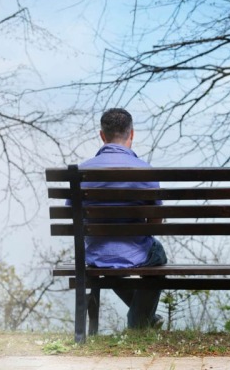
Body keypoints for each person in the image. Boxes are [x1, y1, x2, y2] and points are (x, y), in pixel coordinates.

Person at [79, 108, 167, 329]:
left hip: (96, 254)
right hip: (135, 252)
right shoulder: (145, 171)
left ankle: (145, 319)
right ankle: (139, 322)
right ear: (132, 134)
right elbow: (156, 223)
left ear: (102, 136)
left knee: (112, 261)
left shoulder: (81, 172)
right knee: (158, 257)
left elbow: (75, 218)